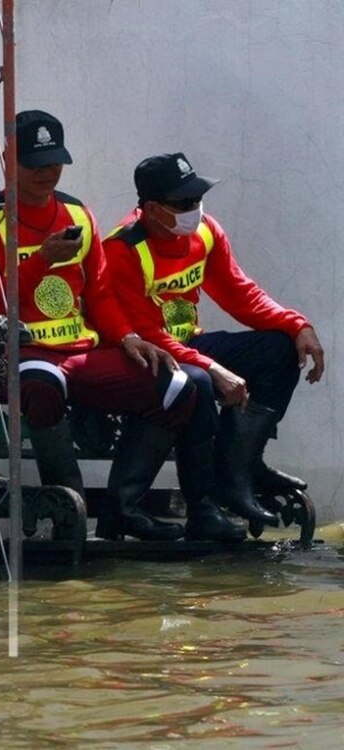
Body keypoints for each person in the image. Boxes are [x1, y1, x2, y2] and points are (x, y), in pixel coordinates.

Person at [0, 110, 242, 543]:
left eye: (54, 162)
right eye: (34, 164)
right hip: (26, 354)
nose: (46, 173)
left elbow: (102, 294)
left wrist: (128, 337)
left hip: (82, 350)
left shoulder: (76, 211)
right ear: (7, 159)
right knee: (40, 383)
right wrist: (40, 263)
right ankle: (68, 509)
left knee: (182, 384)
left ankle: (121, 511)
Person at [103, 152, 324, 529]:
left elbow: (240, 293)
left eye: (198, 198)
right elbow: (148, 334)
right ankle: (203, 507)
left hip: (188, 344)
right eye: (184, 203)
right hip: (144, 355)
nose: (196, 209)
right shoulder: (123, 248)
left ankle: (239, 471)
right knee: (199, 381)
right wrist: (213, 367)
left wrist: (297, 324)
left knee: (279, 350)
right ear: (153, 209)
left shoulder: (204, 231)